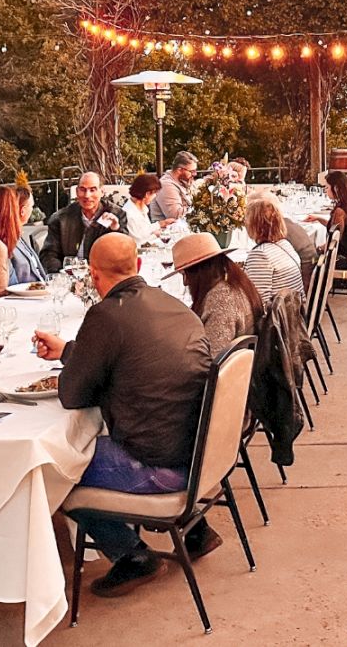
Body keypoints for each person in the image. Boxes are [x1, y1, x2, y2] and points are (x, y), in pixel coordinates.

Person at [32, 234, 216, 596]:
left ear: (93, 276)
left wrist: (79, 360)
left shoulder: (105, 315)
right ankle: (194, 528)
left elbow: (72, 395)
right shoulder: (175, 306)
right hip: (198, 456)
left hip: (157, 466)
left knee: (53, 468)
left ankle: (131, 556)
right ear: (139, 266)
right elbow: (135, 354)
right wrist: (71, 351)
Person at [169, 231, 264, 357]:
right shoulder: (235, 282)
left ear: (200, 272)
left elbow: (213, 356)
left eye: (185, 274)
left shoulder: (221, 299)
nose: (185, 283)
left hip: (229, 374)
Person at [39, 172, 128, 274]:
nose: (87, 195)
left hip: (105, 277)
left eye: (92, 190)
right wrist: (60, 276)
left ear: (102, 192)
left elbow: (125, 252)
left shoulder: (116, 214)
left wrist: (116, 229)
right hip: (70, 278)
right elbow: (48, 254)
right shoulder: (60, 219)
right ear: (77, 192)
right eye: (83, 189)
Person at [244, 193, 305, 302]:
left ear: (252, 223)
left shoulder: (260, 255)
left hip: (277, 318)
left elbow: (259, 304)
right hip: (294, 314)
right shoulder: (285, 245)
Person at [307, 170, 347, 268]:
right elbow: (340, 228)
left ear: (336, 188)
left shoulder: (340, 211)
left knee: (308, 259)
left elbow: (334, 241)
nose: (325, 191)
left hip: (342, 259)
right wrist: (318, 219)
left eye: (327, 187)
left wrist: (318, 249)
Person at [122, 173, 176, 245]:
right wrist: (156, 235)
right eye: (154, 193)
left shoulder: (141, 208)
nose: (155, 196)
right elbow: (138, 241)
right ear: (147, 194)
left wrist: (162, 223)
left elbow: (144, 230)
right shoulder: (129, 213)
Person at [9, 187, 48, 285]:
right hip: (26, 297)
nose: (32, 210)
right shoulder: (7, 241)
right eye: (32, 206)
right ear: (22, 211)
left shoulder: (19, 236)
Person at [149, 150, 199, 222]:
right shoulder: (165, 185)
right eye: (192, 171)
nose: (195, 174)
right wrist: (199, 207)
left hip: (182, 227)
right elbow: (176, 215)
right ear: (179, 170)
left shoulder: (183, 181)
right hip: (167, 230)